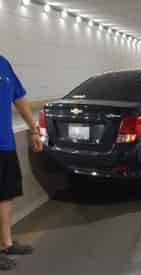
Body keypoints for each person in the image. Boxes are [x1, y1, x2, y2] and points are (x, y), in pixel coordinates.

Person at [0, 55, 43, 270]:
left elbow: (19, 98)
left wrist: (33, 129)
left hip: (4, 144)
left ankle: (6, 244)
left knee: (5, 195)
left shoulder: (3, 63)